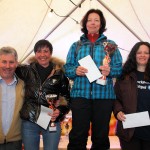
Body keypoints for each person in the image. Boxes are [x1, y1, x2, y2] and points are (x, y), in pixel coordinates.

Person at [64, 9, 122, 150]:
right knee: (78, 135)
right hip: (80, 96)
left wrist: (110, 71)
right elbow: (67, 68)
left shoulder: (110, 45)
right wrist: (75, 70)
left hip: (103, 97)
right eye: (90, 20)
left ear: (101, 23)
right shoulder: (76, 45)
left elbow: (119, 69)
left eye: (96, 20)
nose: (93, 23)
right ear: (85, 23)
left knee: (101, 137)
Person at [15, 39, 70, 150]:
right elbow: (8, 69)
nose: (42, 55)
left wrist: (59, 111)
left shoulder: (60, 74)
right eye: (39, 51)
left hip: (51, 119)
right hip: (30, 119)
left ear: (50, 53)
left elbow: (68, 98)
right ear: (35, 54)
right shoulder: (26, 70)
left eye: (46, 51)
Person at [113, 41, 150, 150]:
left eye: (146, 53)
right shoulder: (124, 76)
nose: (142, 55)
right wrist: (118, 111)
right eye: (139, 52)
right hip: (129, 131)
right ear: (134, 55)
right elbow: (115, 98)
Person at [0, 47, 24, 150]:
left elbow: (33, 107)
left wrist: (50, 114)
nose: (8, 66)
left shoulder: (24, 85)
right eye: (4, 62)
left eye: (11, 62)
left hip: (15, 142)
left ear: (16, 64)